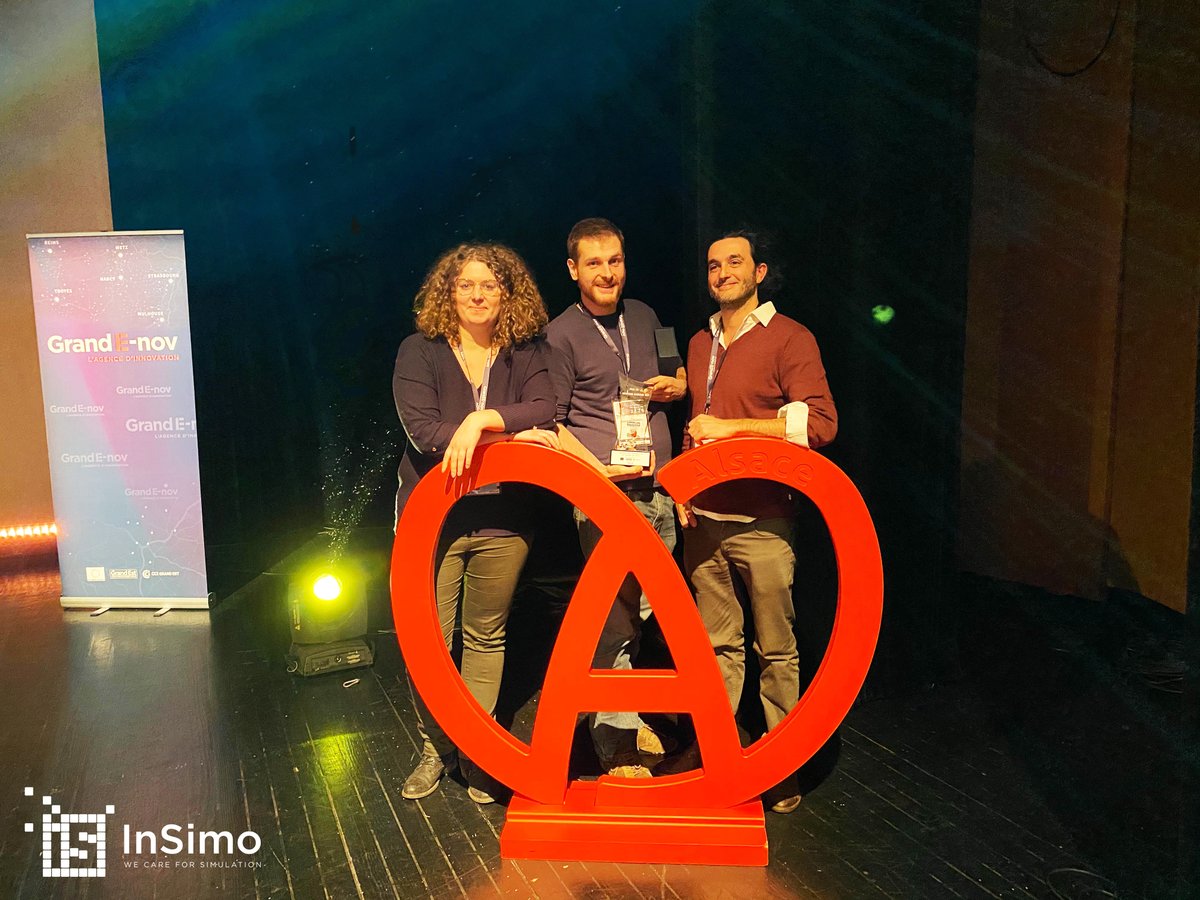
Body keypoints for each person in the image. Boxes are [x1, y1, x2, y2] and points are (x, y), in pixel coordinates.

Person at [393, 242, 559, 804]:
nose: (479, 295)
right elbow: (426, 433)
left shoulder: (524, 350)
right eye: (466, 284)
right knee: (431, 643)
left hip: (504, 519)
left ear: (508, 294)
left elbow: (544, 409)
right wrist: (506, 436)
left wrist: (482, 419)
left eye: (491, 285)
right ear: (449, 292)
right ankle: (436, 750)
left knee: (486, 635)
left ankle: (478, 751)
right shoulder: (420, 350)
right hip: (433, 519)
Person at [677, 230, 837, 813]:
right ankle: (719, 759)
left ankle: (781, 767)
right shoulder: (700, 341)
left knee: (776, 649)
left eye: (734, 262)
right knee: (716, 649)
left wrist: (734, 430)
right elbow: (697, 421)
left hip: (764, 522)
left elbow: (820, 425)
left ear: (759, 272)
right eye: (713, 265)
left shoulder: (789, 337)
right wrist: (685, 486)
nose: (722, 272)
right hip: (703, 523)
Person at [545, 218, 688, 778]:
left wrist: (677, 386)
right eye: (595, 263)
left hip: (661, 492)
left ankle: (624, 714)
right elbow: (552, 425)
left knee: (650, 614)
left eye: (615, 261)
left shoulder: (647, 315)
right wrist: (597, 474)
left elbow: (677, 373)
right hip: (606, 498)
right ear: (573, 270)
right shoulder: (560, 334)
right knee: (615, 620)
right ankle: (617, 744)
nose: (607, 273)